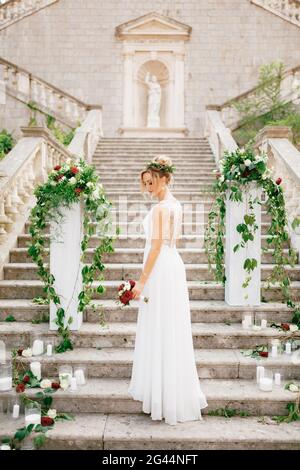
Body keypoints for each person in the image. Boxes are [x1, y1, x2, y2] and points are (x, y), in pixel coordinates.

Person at [127, 155, 208, 425]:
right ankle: (168, 395)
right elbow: (174, 240)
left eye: (151, 182)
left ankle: (162, 397)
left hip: (161, 269)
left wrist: (141, 280)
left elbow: (156, 245)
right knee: (170, 328)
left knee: (161, 327)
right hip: (174, 265)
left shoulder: (162, 209)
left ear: (164, 178)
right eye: (146, 183)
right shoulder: (177, 205)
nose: (148, 188)